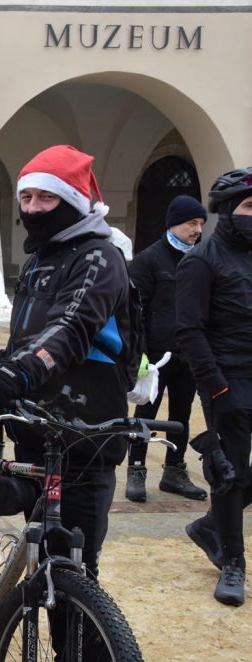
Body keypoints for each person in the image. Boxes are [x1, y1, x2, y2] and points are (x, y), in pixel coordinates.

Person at [0, 145, 136, 582]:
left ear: (71, 201)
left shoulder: (99, 256)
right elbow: (26, 339)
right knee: (42, 551)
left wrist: (10, 378)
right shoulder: (40, 259)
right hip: (36, 423)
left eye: (45, 198)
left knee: (72, 565)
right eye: (26, 198)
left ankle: (82, 649)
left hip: (86, 430)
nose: (33, 208)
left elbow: (70, 329)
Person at [176, 167, 252, 607]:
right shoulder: (201, 260)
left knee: (241, 477)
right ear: (226, 211)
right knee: (230, 475)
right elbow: (189, 330)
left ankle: (209, 527)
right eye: (248, 206)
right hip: (225, 380)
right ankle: (232, 561)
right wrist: (217, 389)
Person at [125, 195, 208, 502]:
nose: (197, 229)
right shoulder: (150, 259)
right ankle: (136, 469)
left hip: (189, 353)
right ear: (174, 223)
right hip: (155, 358)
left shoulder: (201, 258)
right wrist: (141, 353)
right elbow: (135, 311)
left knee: (182, 414)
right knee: (145, 413)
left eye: (200, 223)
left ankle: (174, 471)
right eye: (191, 223)